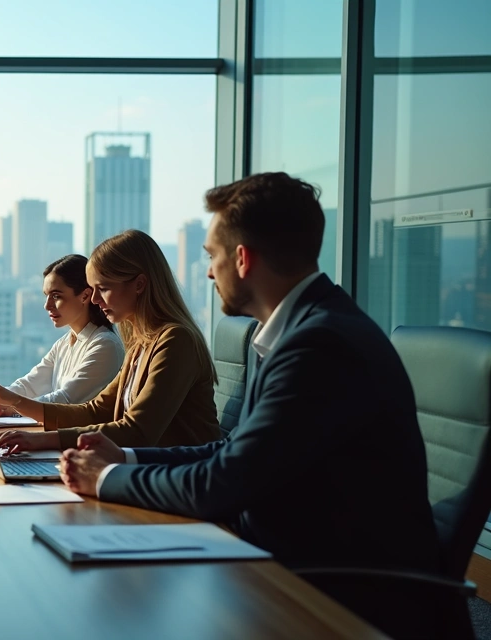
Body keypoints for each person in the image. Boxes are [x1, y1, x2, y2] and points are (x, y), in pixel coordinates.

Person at [56, 173, 442, 636]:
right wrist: (125, 458)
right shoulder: (297, 331)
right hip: (279, 560)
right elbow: (232, 450)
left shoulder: (319, 346)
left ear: (242, 259)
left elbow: (224, 483)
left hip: (333, 596)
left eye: (212, 256)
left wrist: (109, 477)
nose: (207, 271)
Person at [0, 230, 219, 451]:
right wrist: (15, 402)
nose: (94, 300)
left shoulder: (175, 341)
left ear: (140, 284)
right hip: (150, 468)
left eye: (103, 288)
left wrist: (43, 438)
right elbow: (96, 411)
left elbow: (138, 432)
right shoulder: (141, 343)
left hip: (180, 477)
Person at [0, 254, 123, 416]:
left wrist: (12, 406)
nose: (47, 306)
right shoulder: (64, 343)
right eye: (46, 296)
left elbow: (66, 400)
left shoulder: (106, 345)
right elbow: (30, 384)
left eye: (56, 296)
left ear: (85, 296)